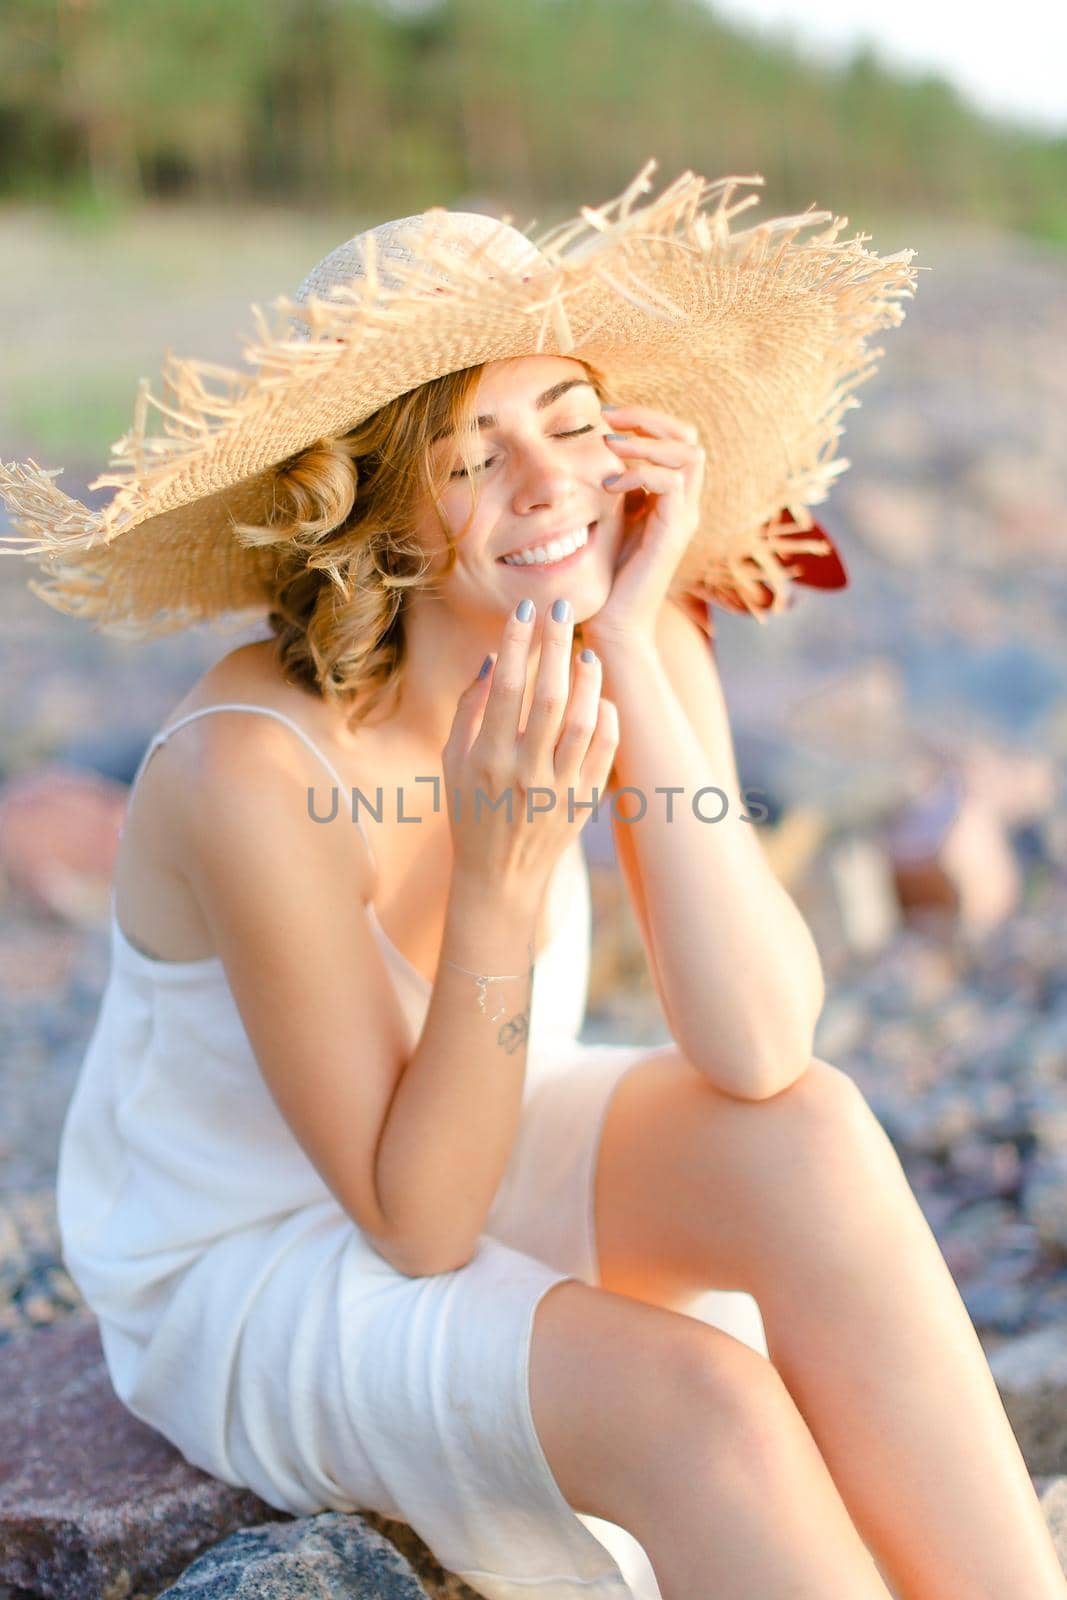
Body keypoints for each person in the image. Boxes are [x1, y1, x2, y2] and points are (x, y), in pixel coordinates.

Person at [2, 164, 1064, 1600]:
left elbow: (758, 1045)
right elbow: (418, 1224)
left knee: (810, 1136)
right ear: (377, 503)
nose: (549, 481)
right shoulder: (247, 767)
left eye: (569, 420)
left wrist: (632, 646)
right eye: (471, 453)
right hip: (269, 1250)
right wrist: (498, 879)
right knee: (707, 1407)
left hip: (479, 1115)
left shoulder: (633, 636)